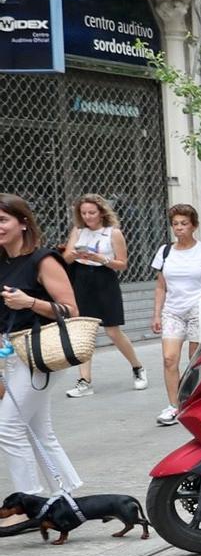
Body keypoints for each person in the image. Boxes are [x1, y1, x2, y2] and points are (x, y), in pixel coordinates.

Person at [0, 195, 84, 516]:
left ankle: (30, 503)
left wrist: (29, 302)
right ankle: (66, 495)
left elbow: (71, 310)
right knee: (38, 431)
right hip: (10, 355)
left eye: (3, 220)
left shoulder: (43, 260)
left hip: (38, 355)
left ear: (23, 223)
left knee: (8, 427)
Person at [149, 203, 201, 427]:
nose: (179, 228)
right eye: (175, 224)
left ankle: (194, 402)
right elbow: (160, 287)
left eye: (184, 224)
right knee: (169, 358)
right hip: (173, 311)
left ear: (193, 226)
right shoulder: (165, 252)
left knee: (195, 361)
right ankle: (174, 406)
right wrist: (156, 314)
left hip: (199, 310)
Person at [60, 194, 145, 398]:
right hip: (81, 278)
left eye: (92, 212)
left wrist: (101, 259)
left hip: (104, 278)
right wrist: (73, 254)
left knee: (112, 331)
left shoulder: (112, 233)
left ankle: (137, 368)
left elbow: (122, 264)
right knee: (83, 332)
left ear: (101, 212)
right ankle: (84, 381)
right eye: (83, 213)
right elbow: (66, 258)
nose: (88, 217)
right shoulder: (78, 231)